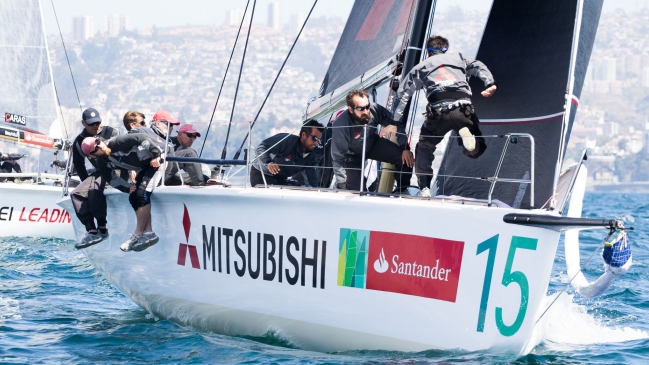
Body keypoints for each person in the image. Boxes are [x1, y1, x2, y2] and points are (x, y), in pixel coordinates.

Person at [385, 35, 497, 196]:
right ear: (446, 49)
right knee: (476, 144)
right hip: (463, 107)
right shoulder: (459, 57)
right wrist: (490, 83)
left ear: (428, 52)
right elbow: (478, 66)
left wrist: (395, 121)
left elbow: (403, 95)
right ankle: (469, 143)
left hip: (438, 112)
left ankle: (424, 187)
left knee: (425, 147)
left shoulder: (421, 67)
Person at [81, 133, 163, 252]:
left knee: (142, 194)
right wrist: (126, 188)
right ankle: (148, 233)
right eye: (95, 149)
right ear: (92, 156)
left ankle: (138, 234)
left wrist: (156, 154)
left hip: (157, 161)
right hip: (144, 168)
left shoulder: (117, 142)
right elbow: (112, 179)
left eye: (98, 142)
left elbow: (140, 138)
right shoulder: (102, 163)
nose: (100, 146)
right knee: (133, 197)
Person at [331, 89, 413, 191]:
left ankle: (402, 190)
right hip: (352, 156)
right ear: (351, 109)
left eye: (367, 106)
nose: (366, 111)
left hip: (371, 143)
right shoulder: (341, 125)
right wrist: (341, 183)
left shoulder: (374, 109)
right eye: (361, 108)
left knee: (406, 158)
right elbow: (338, 158)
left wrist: (405, 147)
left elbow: (395, 124)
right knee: (357, 189)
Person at [70, 108, 119, 249]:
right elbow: (79, 164)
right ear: (83, 123)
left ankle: (102, 229)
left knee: (94, 189)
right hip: (99, 172)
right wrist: (85, 180)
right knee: (76, 194)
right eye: (91, 123)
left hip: (116, 169)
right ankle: (91, 230)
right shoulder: (79, 141)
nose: (95, 126)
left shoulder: (111, 132)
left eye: (97, 122)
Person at [250, 119, 324, 187]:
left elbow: (312, 184)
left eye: (319, 140)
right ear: (304, 135)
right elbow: (262, 147)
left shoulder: (311, 159)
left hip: (280, 179)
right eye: (315, 138)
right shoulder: (287, 140)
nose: (317, 143)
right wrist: (268, 163)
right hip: (261, 174)